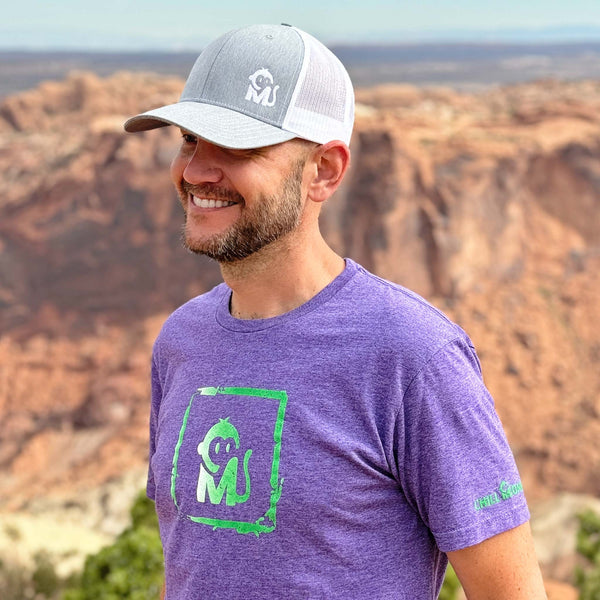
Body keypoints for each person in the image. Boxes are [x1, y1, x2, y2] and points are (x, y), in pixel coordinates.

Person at [124, 24, 547, 599]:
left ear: (324, 170)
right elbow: (193, 565)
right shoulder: (182, 341)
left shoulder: (412, 353)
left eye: (239, 147)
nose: (197, 170)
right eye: (190, 139)